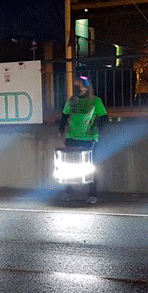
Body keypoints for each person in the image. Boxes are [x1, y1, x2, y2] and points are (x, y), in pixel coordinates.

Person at [59, 75, 108, 204]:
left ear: (87, 87)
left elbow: (104, 117)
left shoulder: (95, 101)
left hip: (89, 138)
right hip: (72, 136)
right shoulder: (72, 101)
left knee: (90, 165)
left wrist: (97, 128)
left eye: (81, 85)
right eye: (77, 86)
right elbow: (64, 116)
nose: (79, 88)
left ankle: (92, 193)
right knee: (68, 165)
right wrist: (61, 130)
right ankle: (68, 190)